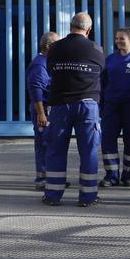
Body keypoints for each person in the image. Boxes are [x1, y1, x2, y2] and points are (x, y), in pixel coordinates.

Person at [42, 13, 105, 207]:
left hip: (60, 104)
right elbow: (101, 71)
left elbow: (51, 70)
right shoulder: (96, 49)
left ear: (70, 26)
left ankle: (53, 195)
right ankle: (88, 196)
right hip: (87, 105)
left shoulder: (55, 48)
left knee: (56, 150)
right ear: (88, 29)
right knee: (89, 151)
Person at [99, 27, 130, 187]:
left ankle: (128, 175)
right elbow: (102, 83)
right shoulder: (110, 60)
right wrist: (103, 104)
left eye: (121, 38)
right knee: (108, 139)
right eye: (116, 38)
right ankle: (111, 175)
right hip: (112, 106)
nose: (118, 41)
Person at [26, 32, 61, 190]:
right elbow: (36, 91)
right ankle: (42, 179)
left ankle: (51, 178)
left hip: (49, 109)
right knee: (43, 143)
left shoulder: (47, 62)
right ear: (48, 46)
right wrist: (41, 113)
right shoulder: (39, 64)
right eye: (57, 44)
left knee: (50, 143)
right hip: (43, 110)